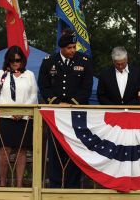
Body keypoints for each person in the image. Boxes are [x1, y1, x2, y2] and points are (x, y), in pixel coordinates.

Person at [38, 28, 93, 188]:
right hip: (56, 113)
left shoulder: (84, 61)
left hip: (75, 113)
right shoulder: (49, 62)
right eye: (70, 48)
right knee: (55, 150)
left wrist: (73, 103)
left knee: (74, 148)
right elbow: (43, 85)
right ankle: (55, 185)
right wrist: (56, 103)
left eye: (74, 47)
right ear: (62, 48)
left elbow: (87, 87)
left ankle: (73, 185)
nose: (73, 51)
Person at [0, 46, 38, 187]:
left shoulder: (29, 74)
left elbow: (34, 95)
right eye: (12, 60)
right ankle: (3, 184)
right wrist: (8, 112)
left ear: (22, 60)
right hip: (5, 117)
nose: (15, 63)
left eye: (18, 60)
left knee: (21, 151)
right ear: (8, 61)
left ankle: (19, 184)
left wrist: (22, 110)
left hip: (24, 117)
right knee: (4, 151)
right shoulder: (1, 74)